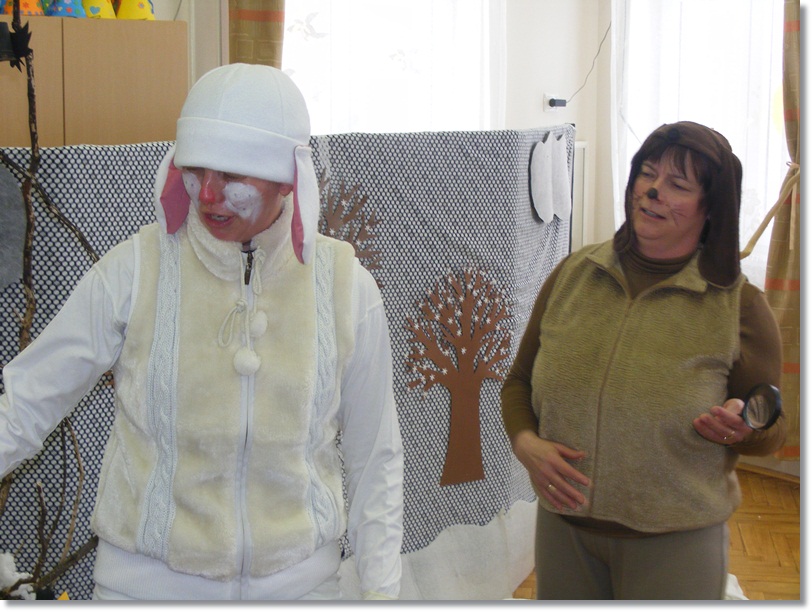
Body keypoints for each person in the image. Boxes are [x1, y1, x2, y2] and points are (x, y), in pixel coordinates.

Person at [0, 63, 404, 600]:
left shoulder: (347, 288)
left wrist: (382, 596)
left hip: (301, 589)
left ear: (287, 178)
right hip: (144, 590)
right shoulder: (134, 271)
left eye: (232, 174)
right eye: (195, 169)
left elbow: (375, 457)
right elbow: (24, 404)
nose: (207, 194)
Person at [501, 121, 785, 600]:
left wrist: (744, 429)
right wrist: (525, 442)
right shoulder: (573, 274)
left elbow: (772, 429)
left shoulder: (740, 307)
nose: (653, 191)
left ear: (711, 207)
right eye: (647, 174)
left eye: (678, 184)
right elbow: (518, 383)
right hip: (564, 530)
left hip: (675, 544)